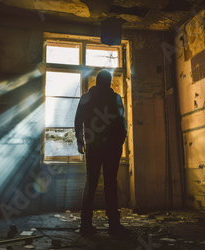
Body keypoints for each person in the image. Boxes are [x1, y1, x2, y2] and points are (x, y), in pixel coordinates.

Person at [74, 70, 129, 238]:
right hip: (112, 147)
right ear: (110, 81)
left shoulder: (86, 97)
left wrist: (80, 140)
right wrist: (118, 143)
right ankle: (113, 225)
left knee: (91, 183)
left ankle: (85, 224)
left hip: (94, 145)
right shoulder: (116, 98)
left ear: (96, 82)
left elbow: (78, 121)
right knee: (110, 184)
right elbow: (122, 123)